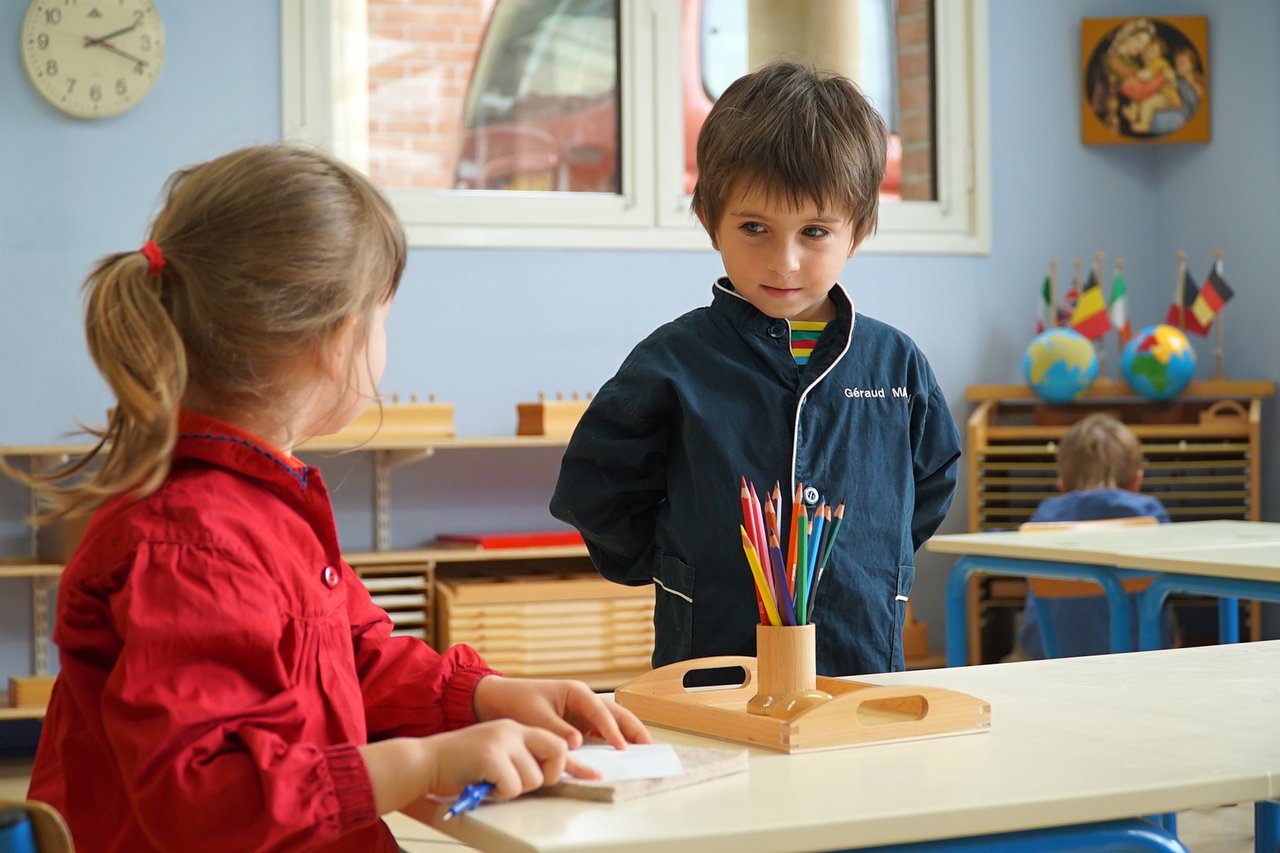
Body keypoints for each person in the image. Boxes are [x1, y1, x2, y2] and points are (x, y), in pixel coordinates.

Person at [11, 144, 649, 852]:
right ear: (337, 339)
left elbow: (350, 655)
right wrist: (424, 761)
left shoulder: (257, 505)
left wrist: (482, 694)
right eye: (383, 318)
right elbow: (208, 798)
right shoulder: (192, 543)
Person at [549, 61, 961, 678]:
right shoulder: (674, 360)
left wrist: (882, 562)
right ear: (711, 220)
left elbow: (928, 488)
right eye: (754, 228)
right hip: (711, 660)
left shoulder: (896, 364)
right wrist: (669, 561)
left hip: (860, 659)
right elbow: (598, 484)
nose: (785, 260)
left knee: (865, 775)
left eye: (815, 231)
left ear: (859, 230)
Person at [1016, 412, 1172, 659]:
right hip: (1136, 656)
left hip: (1049, 655)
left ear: (1062, 485)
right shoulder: (1151, 515)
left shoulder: (1045, 516)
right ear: (1136, 481)